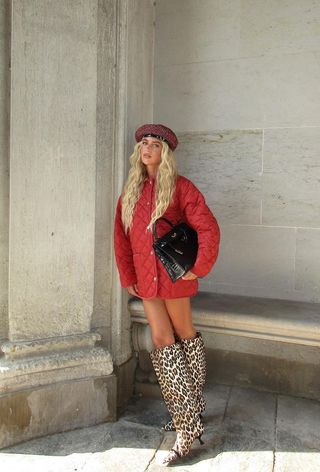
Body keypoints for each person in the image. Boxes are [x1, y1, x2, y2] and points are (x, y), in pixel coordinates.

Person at [114, 124, 220, 466]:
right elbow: (121, 236)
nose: (147, 148)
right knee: (162, 342)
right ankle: (186, 420)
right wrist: (128, 275)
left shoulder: (180, 187)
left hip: (175, 279)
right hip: (147, 281)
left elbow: (207, 227)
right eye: (143, 143)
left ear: (166, 152)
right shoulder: (132, 189)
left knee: (185, 336)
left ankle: (190, 420)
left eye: (154, 144)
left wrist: (198, 267)